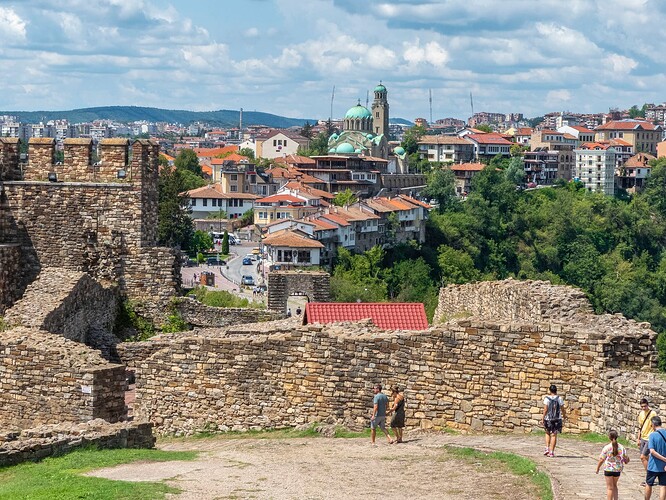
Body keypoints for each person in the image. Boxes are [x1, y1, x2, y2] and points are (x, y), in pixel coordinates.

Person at [596, 429, 629, 500]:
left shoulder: (607, 447)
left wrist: (598, 468)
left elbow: (602, 459)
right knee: (615, 486)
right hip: (617, 470)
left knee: (610, 488)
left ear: (609, 437)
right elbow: (626, 459)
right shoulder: (622, 447)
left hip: (608, 469)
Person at [645, 415, 666, 500]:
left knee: (649, 484)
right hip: (664, 466)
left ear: (653, 425)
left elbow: (652, 451)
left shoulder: (652, 435)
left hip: (653, 466)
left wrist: (663, 458)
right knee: (663, 486)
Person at [543, 384, 566, 458]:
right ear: (556, 390)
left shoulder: (546, 398)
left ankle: (547, 448)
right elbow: (562, 409)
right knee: (554, 435)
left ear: (550, 391)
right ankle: (552, 452)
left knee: (547, 432)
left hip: (548, 418)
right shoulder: (559, 398)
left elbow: (545, 409)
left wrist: (543, 417)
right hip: (556, 419)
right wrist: (564, 416)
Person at [638, 398, 658, 480]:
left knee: (643, 457)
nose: (643, 408)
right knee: (645, 458)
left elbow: (655, 425)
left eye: (645, 406)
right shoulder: (641, 414)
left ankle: (649, 476)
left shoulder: (653, 413)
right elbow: (640, 427)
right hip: (643, 437)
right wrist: (638, 438)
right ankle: (652, 472)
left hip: (649, 437)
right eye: (642, 406)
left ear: (647, 405)